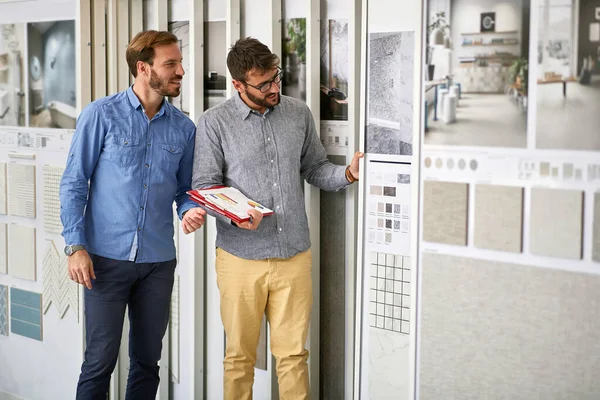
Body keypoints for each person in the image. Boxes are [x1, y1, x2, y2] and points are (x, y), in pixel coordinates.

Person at [192, 37, 363, 399]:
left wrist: (347, 174)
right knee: (239, 358)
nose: (274, 88)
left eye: (276, 77)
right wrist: (237, 215)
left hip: (293, 255)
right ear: (238, 84)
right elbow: (206, 186)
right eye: (264, 83)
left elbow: (315, 168)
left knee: (293, 355)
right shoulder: (214, 123)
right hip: (240, 259)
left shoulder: (298, 113)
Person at [59, 30, 206, 399]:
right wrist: (75, 246)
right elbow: (74, 182)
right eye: (170, 63)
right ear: (143, 68)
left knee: (147, 362)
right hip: (104, 261)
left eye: (179, 62)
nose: (181, 71)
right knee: (99, 362)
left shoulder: (184, 128)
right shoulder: (101, 115)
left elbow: (184, 190)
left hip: (158, 263)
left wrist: (190, 210)